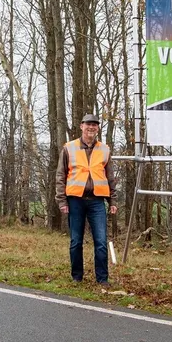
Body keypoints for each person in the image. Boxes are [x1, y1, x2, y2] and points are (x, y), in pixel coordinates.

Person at [56, 113, 118, 286]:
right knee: (76, 241)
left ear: (97, 129)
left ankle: (102, 279)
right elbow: (60, 175)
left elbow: (110, 177)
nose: (91, 128)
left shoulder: (104, 149)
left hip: (97, 200)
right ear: (81, 126)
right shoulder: (69, 147)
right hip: (75, 200)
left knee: (101, 242)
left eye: (95, 125)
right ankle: (77, 277)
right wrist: (61, 201)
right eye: (88, 124)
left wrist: (113, 201)